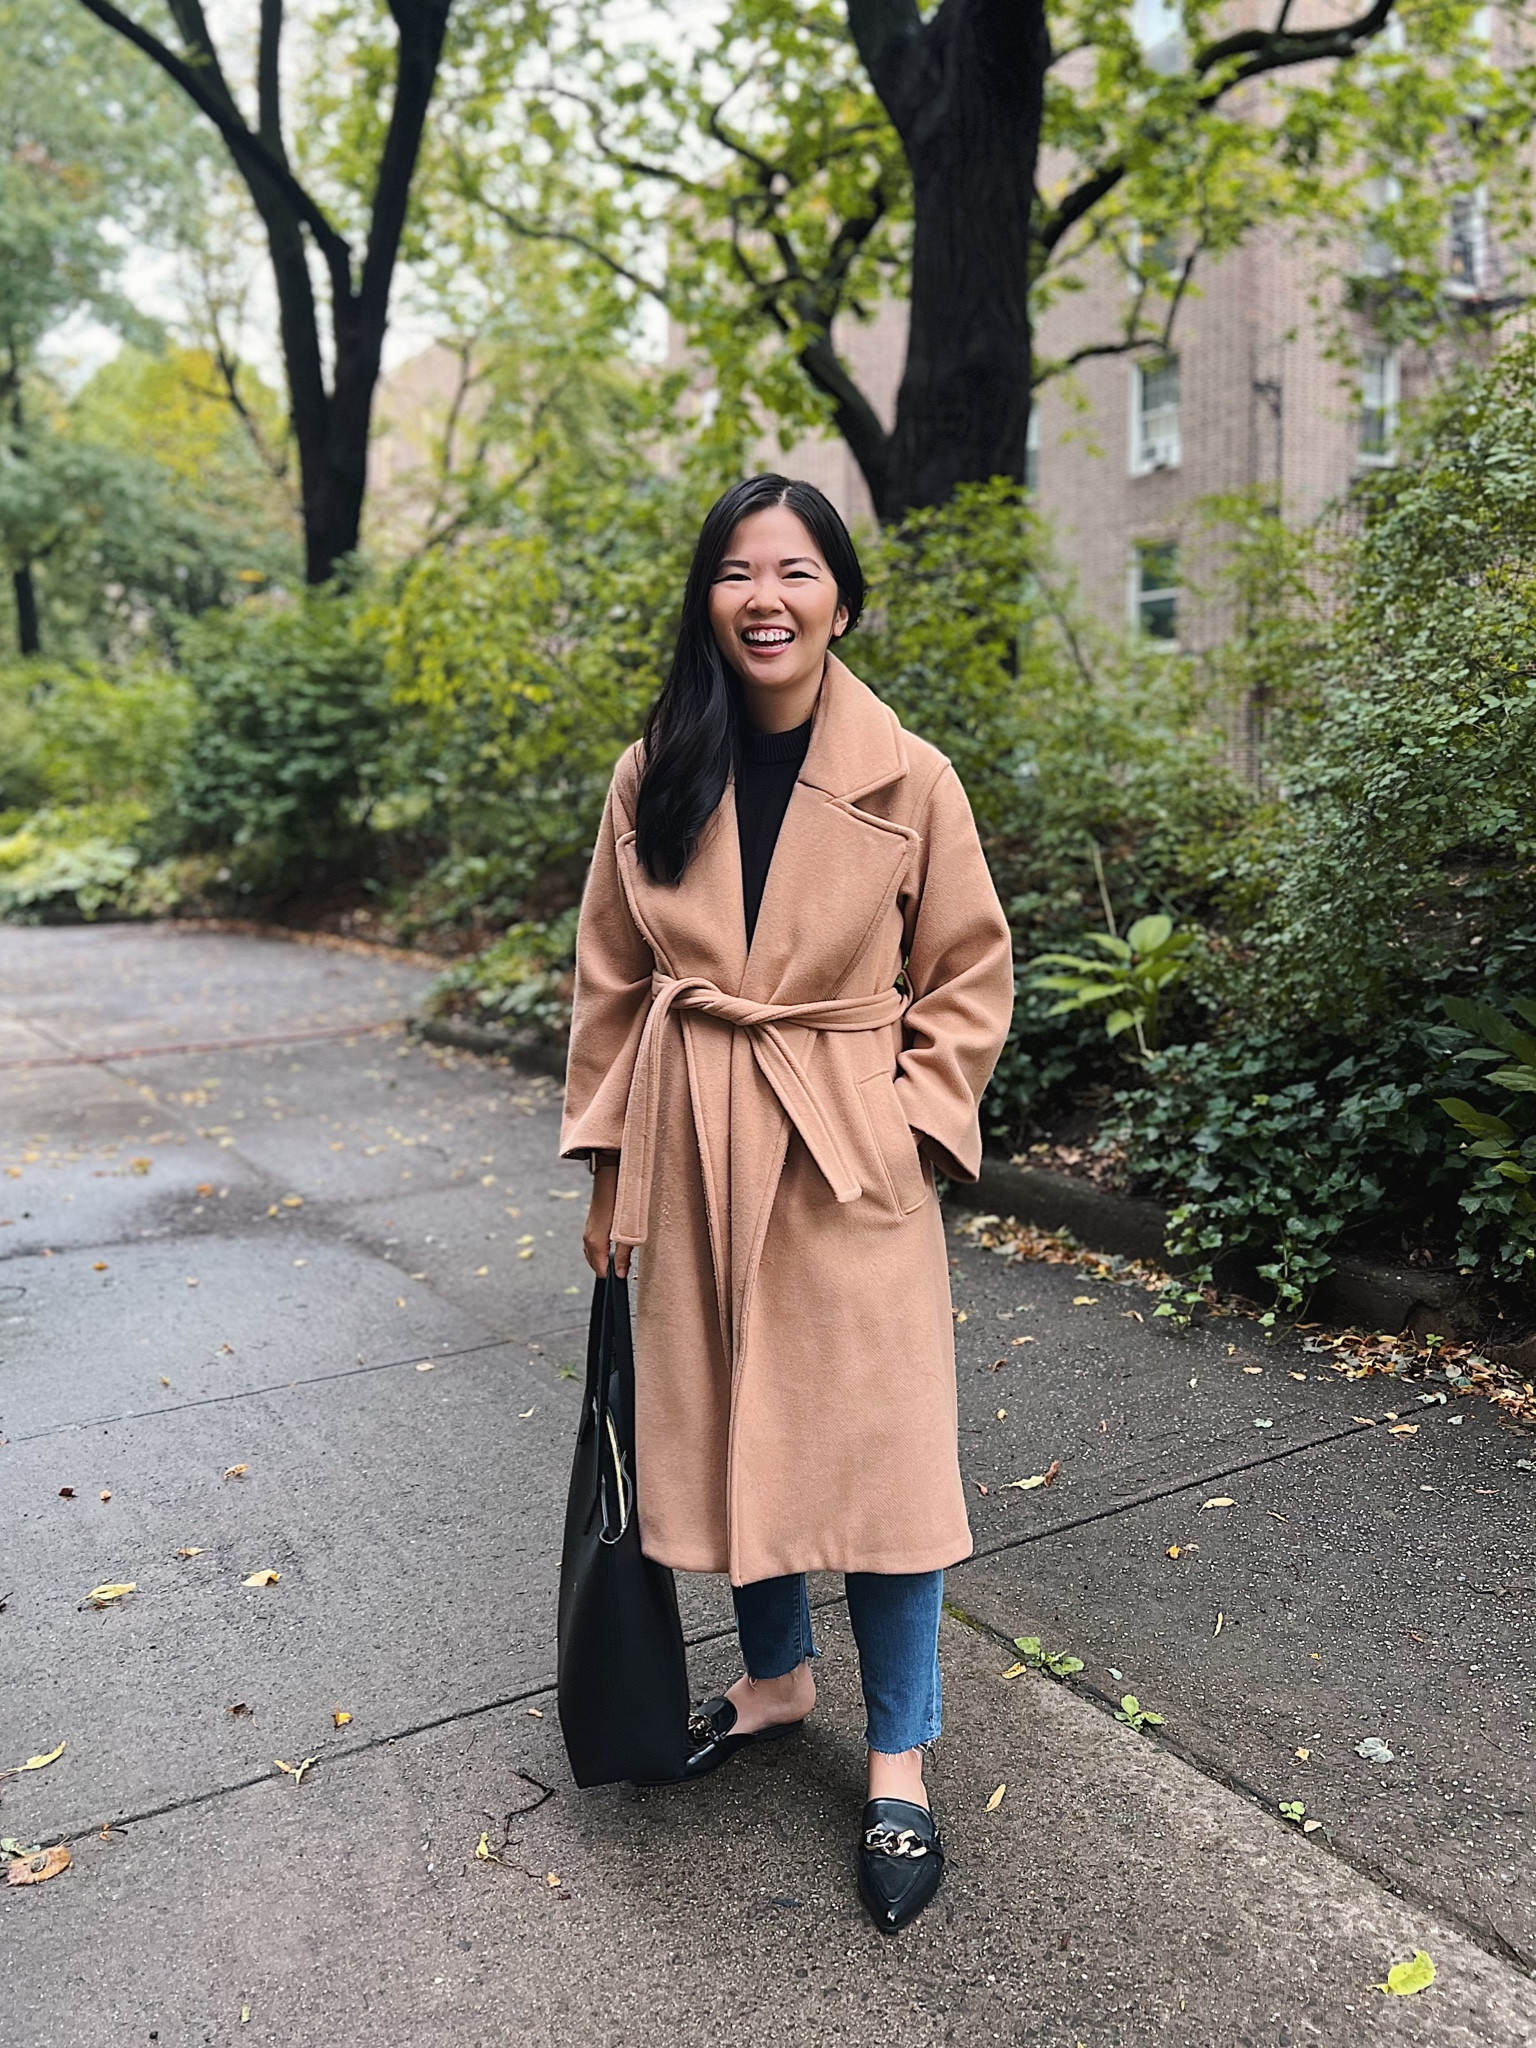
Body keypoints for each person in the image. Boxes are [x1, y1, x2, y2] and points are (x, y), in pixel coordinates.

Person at [559, 474, 1015, 1932]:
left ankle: (898, 1762)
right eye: (738, 571)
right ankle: (772, 1682)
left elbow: (969, 973)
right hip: (693, 1142)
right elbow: (612, 981)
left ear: (839, 598)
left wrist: (912, 1128)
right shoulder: (655, 769)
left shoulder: (912, 776)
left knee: (883, 1468)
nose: (767, 596)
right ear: (707, 600)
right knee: (731, 1433)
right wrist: (612, 1164)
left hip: (843, 1149)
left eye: (799, 570)